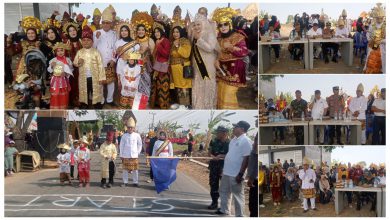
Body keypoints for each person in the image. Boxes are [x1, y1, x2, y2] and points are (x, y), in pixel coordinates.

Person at [213, 7, 248, 109]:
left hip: (234, 69)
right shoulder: (219, 39)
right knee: (221, 93)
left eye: (225, 24)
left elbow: (244, 52)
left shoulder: (237, 36)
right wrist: (216, 60)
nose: (223, 27)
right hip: (222, 70)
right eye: (220, 25)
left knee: (228, 94)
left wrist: (232, 48)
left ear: (230, 24)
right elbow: (218, 53)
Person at [216, 121, 252, 217]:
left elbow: (247, 158)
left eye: (236, 127)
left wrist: (241, 173)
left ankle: (239, 215)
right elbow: (231, 155)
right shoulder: (233, 140)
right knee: (224, 191)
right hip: (227, 172)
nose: (234, 128)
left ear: (242, 129)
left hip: (236, 173)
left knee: (237, 195)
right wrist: (221, 157)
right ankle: (224, 210)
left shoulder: (246, 141)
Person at [73, 25, 106, 109]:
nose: (86, 42)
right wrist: (78, 62)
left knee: (96, 91)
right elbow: (75, 63)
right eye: (84, 40)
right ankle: (84, 104)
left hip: (94, 77)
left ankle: (97, 104)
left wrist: (102, 77)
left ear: (92, 42)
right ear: (81, 42)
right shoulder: (80, 52)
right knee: (84, 91)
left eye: (88, 40)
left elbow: (100, 65)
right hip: (83, 77)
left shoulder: (96, 52)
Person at [190, 13, 218, 109]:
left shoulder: (210, 34)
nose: (196, 27)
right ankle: (197, 106)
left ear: (204, 24)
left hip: (207, 66)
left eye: (199, 24)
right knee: (198, 87)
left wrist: (199, 40)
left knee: (207, 86)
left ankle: (208, 107)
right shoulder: (193, 35)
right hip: (196, 65)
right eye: (195, 24)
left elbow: (210, 48)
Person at [93, 7, 117, 106]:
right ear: (101, 23)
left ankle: (110, 100)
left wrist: (113, 59)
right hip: (100, 62)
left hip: (110, 62)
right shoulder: (96, 33)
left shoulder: (114, 33)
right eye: (104, 23)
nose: (106, 25)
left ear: (111, 24)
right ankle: (102, 100)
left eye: (108, 23)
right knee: (101, 83)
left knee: (111, 83)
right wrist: (97, 38)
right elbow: (93, 48)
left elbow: (116, 48)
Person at [131, 12, 155, 108]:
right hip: (135, 67)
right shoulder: (134, 41)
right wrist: (139, 54)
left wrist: (147, 56)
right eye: (139, 30)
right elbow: (130, 55)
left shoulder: (150, 41)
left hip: (146, 67)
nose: (141, 31)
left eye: (142, 30)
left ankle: (146, 102)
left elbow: (154, 55)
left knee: (146, 84)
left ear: (145, 31)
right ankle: (136, 103)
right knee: (136, 84)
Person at [170, 22, 192, 106]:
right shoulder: (173, 42)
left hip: (183, 68)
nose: (175, 34)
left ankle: (185, 106)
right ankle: (181, 106)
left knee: (184, 88)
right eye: (174, 32)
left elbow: (187, 54)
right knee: (178, 88)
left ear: (181, 32)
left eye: (177, 32)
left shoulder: (185, 41)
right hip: (175, 69)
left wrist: (178, 46)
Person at [208, 126, 230, 209]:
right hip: (214, 165)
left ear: (224, 133)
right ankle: (214, 202)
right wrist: (213, 156)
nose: (217, 133)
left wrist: (221, 156)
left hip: (224, 167)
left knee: (224, 186)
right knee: (213, 184)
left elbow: (230, 155)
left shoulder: (230, 143)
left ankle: (224, 206)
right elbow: (209, 153)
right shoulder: (213, 141)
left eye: (218, 132)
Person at [47, 42, 73, 109]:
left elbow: (71, 70)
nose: (60, 52)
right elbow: (49, 70)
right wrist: (52, 66)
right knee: (55, 95)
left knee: (64, 94)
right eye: (58, 51)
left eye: (62, 50)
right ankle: (55, 109)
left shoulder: (67, 60)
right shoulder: (53, 60)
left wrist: (66, 74)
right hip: (55, 81)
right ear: (55, 52)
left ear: (65, 51)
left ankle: (63, 108)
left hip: (64, 80)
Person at [151, 22, 171, 109]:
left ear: (161, 32)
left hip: (163, 68)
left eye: (158, 32)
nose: (156, 34)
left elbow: (166, 54)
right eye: (155, 32)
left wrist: (158, 45)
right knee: (157, 88)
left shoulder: (165, 40)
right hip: (157, 68)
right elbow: (155, 55)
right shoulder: (157, 41)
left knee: (164, 89)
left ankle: (164, 107)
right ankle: (158, 105)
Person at [119, 117, 143, 187]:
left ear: (133, 128)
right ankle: (125, 182)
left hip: (134, 155)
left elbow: (140, 144)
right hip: (125, 155)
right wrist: (121, 154)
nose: (130, 129)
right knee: (125, 170)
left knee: (135, 170)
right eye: (129, 127)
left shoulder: (137, 135)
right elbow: (121, 145)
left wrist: (138, 152)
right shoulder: (124, 136)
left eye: (131, 127)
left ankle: (135, 182)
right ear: (127, 127)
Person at [364, 3, 385, 73]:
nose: (379, 20)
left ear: (383, 17)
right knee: (370, 62)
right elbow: (368, 33)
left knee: (382, 64)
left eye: (381, 18)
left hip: (382, 48)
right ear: (375, 18)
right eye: (378, 18)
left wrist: (382, 41)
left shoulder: (386, 26)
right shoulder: (372, 25)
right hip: (372, 47)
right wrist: (369, 39)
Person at [247, 132, 258, 217]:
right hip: (254, 179)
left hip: (255, 180)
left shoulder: (256, 152)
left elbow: (254, 165)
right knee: (252, 204)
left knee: (254, 205)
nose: (255, 143)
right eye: (255, 140)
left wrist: (250, 178)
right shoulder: (254, 151)